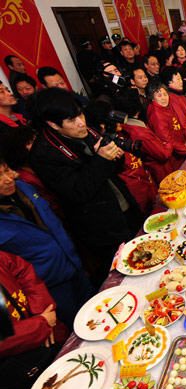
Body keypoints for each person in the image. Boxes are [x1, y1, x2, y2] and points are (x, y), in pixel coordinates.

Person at [29, 88, 142, 287]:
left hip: (124, 205)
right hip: (102, 226)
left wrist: (114, 155)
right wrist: (101, 159)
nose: (81, 122)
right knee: (129, 274)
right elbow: (78, 192)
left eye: (80, 114)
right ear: (53, 124)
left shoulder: (85, 129)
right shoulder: (44, 154)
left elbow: (114, 166)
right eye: (71, 120)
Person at [0, 154, 93, 324]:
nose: (8, 179)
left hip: (73, 265)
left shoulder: (24, 188)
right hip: (51, 286)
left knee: (98, 309)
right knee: (81, 325)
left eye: (6, 170)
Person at [0, 250, 69, 389]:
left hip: (46, 330)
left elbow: (20, 268)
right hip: (20, 367)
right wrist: (40, 325)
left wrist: (41, 311)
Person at [0, 126, 63, 218]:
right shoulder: (24, 178)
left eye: (36, 140)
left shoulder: (44, 163)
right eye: (29, 143)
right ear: (17, 149)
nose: (37, 145)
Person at [115, 89, 175, 184]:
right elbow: (163, 154)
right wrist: (168, 143)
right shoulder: (139, 133)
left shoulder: (128, 125)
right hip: (162, 172)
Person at [146, 81, 186, 170]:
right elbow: (167, 140)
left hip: (181, 145)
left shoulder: (165, 107)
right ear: (152, 98)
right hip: (175, 155)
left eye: (165, 94)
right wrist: (184, 149)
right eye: (159, 96)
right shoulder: (157, 115)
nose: (163, 98)